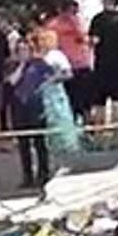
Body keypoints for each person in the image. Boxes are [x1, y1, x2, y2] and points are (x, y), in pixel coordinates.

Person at [6, 37, 51, 188]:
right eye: (20, 50)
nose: (23, 53)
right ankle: (27, 176)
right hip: (18, 108)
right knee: (23, 144)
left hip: (36, 107)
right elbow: (11, 82)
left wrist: (46, 85)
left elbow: (57, 74)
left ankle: (44, 173)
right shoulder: (11, 65)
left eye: (26, 50)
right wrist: (22, 65)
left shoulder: (39, 64)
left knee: (39, 143)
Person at [37, 30, 82, 158]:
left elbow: (68, 73)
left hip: (55, 92)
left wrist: (53, 78)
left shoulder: (57, 55)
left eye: (43, 39)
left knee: (59, 117)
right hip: (44, 92)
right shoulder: (41, 55)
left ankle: (67, 145)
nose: (41, 42)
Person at [48, 0, 94, 120]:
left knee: (83, 101)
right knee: (70, 101)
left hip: (81, 65)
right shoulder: (54, 25)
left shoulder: (77, 23)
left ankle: (84, 125)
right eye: (71, 11)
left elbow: (83, 37)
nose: (72, 14)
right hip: (66, 66)